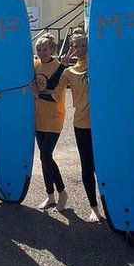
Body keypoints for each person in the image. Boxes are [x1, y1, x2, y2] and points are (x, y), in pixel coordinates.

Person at [42, 31, 100, 222]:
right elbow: (51, 85)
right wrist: (62, 66)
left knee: (104, 166)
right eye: (76, 46)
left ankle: (112, 204)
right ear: (71, 48)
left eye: (83, 45)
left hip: (102, 124)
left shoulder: (98, 62)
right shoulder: (68, 71)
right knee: (87, 166)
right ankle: (94, 208)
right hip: (82, 123)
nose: (80, 49)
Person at [31, 34, 68, 212]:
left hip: (54, 117)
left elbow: (56, 96)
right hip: (38, 117)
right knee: (43, 158)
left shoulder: (59, 67)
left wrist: (37, 95)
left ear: (52, 50)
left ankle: (62, 192)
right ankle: (50, 196)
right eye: (38, 49)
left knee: (46, 155)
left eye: (45, 49)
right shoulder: (35, 64)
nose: (42, 52)